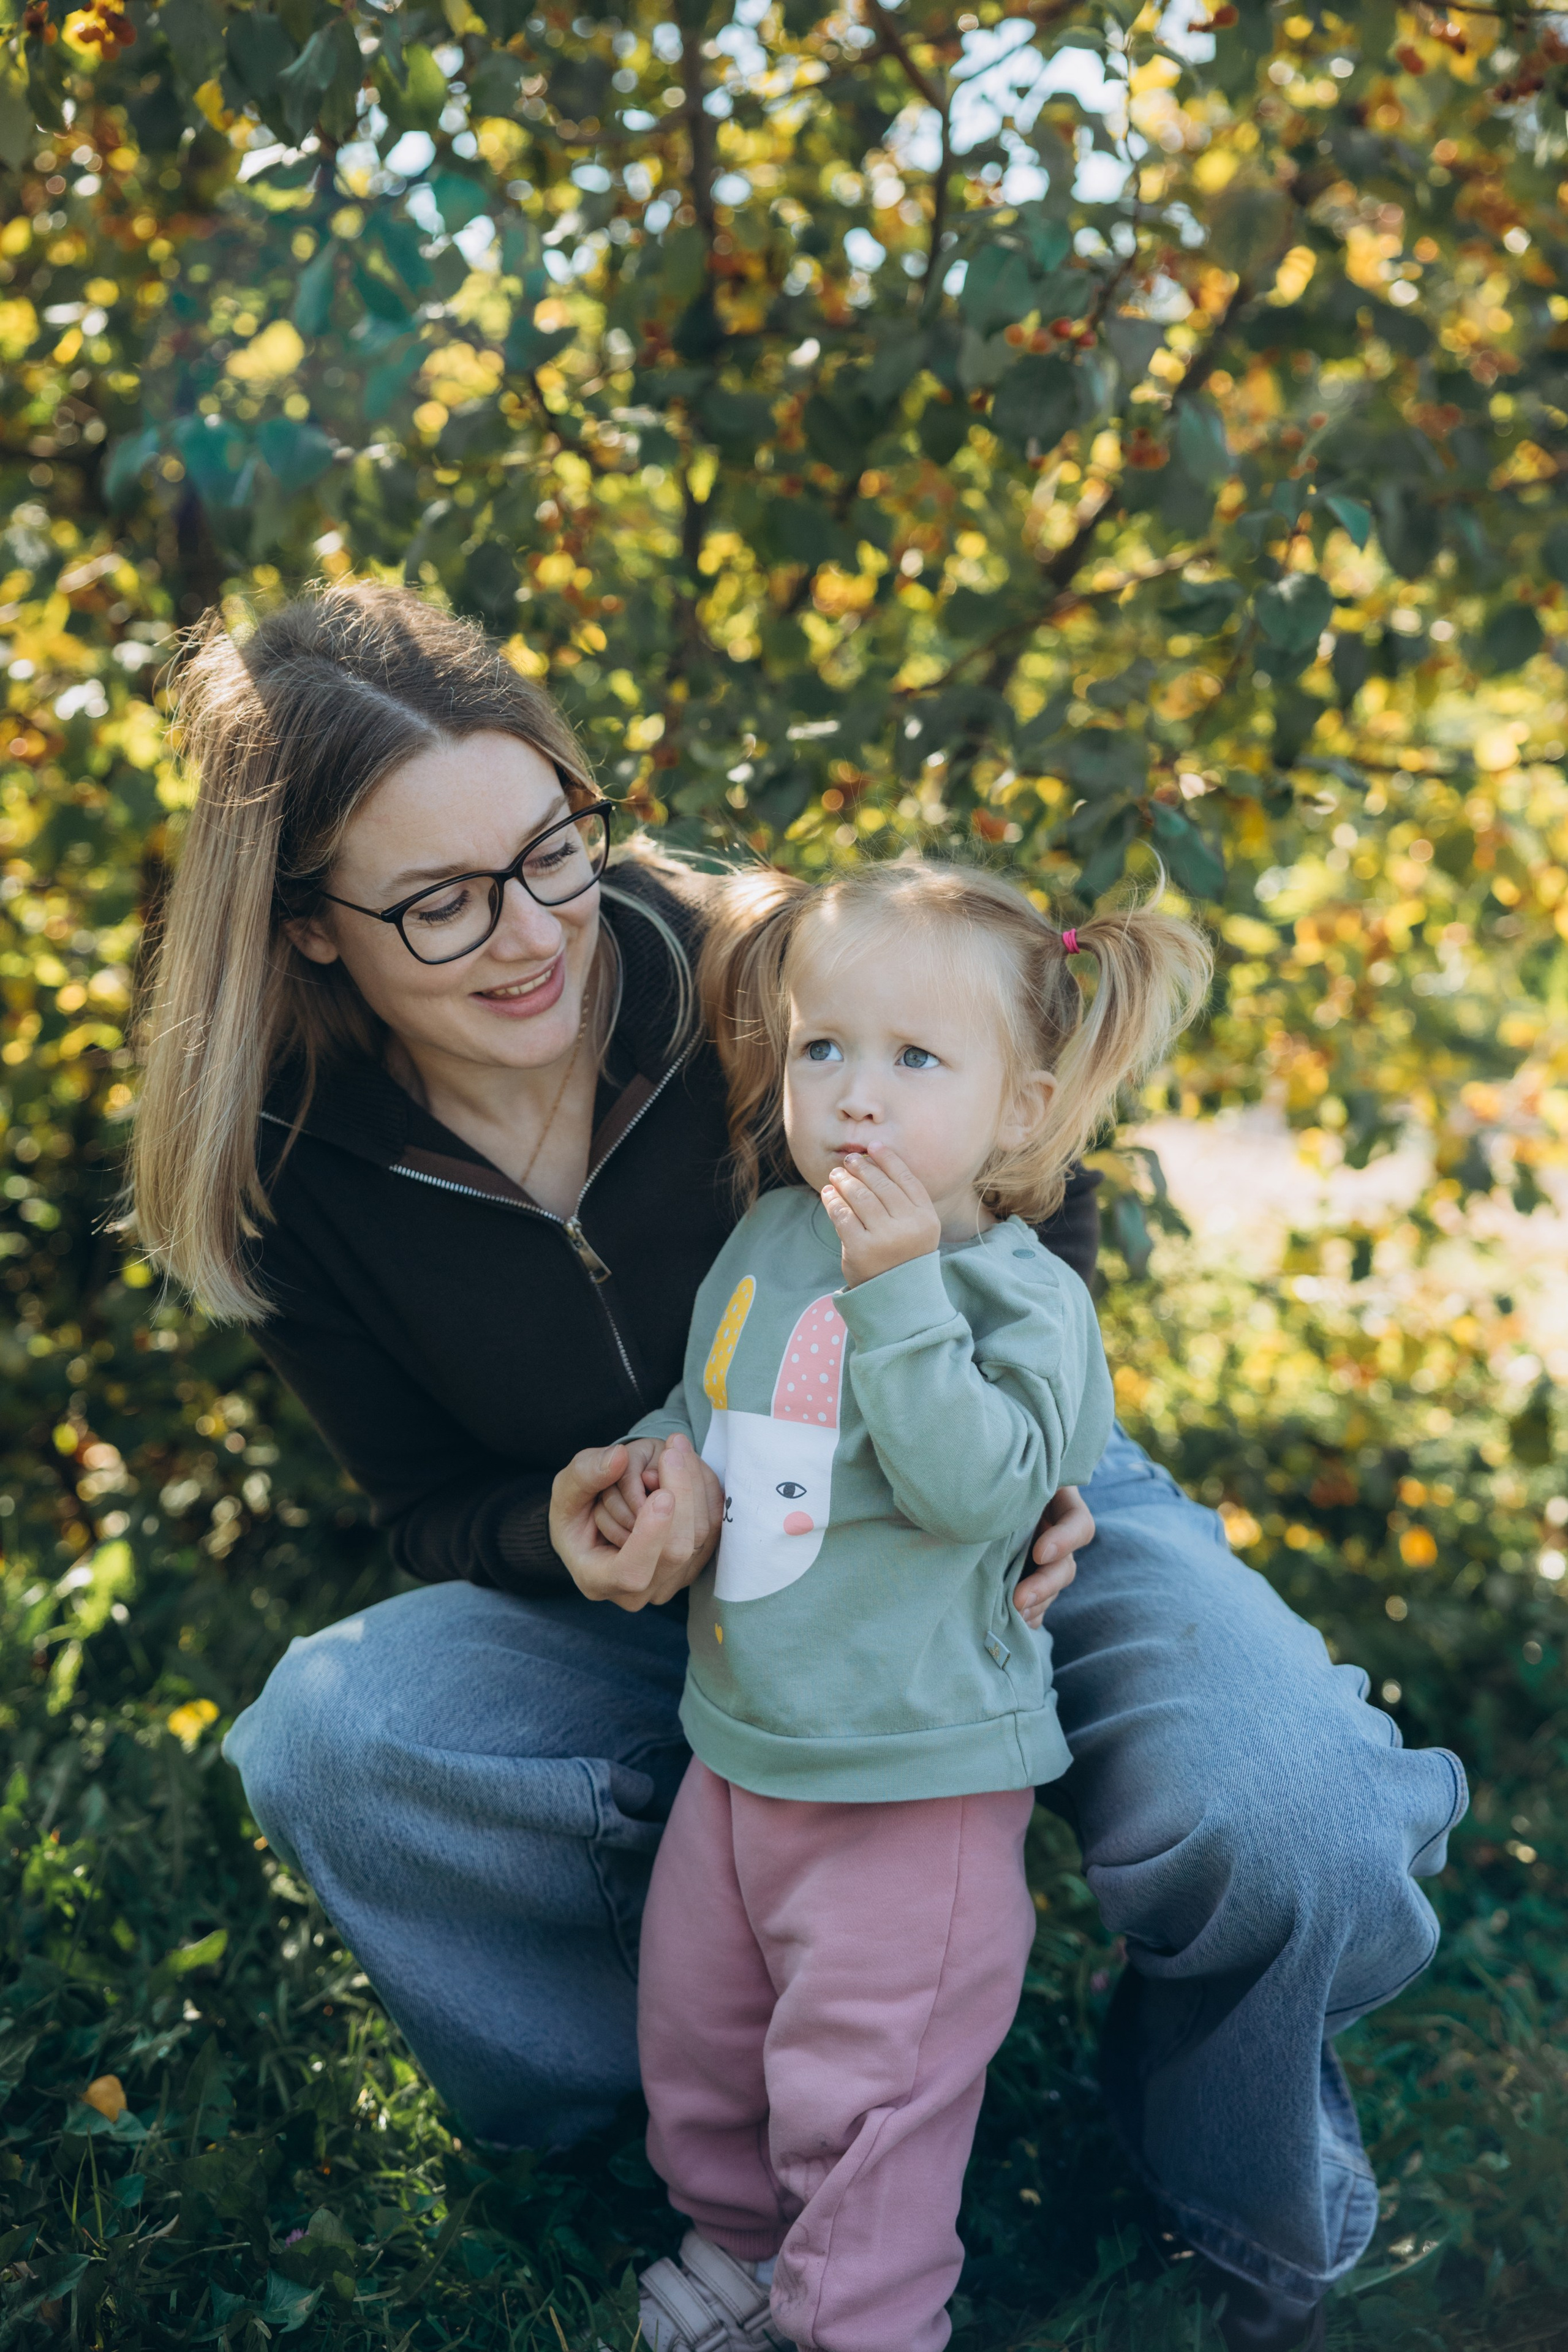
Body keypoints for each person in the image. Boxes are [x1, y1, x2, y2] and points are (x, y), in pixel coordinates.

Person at [128, 583, 1466, 2352]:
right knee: (332, 1737)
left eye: (551, 850)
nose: (532, 933)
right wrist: (564, 1522)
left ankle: (1213, 2180)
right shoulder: (297, 1165)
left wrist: (1036, 1456)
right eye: (440, 902)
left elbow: (1030, 1158)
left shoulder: (753, 969)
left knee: (1292, 1810)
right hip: (694, 1577)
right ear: (306, 927)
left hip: (993, 1497)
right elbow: (423, 1503)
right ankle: (721, 2149)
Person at [561, 859, 1199, 2352]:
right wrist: (659, 1469)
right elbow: (709, 1398)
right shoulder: (772, 1237)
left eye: (916, 1059)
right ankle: (741, 2248)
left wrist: (900, 1290)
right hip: (742, 1744)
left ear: (1020, 1109)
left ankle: (859, 2317)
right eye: (824, 1049)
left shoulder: (1015, 1296)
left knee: (870, 2088)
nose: (856, 1095)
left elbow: (977, 1491)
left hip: (913, 1779)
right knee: (704, 2036)